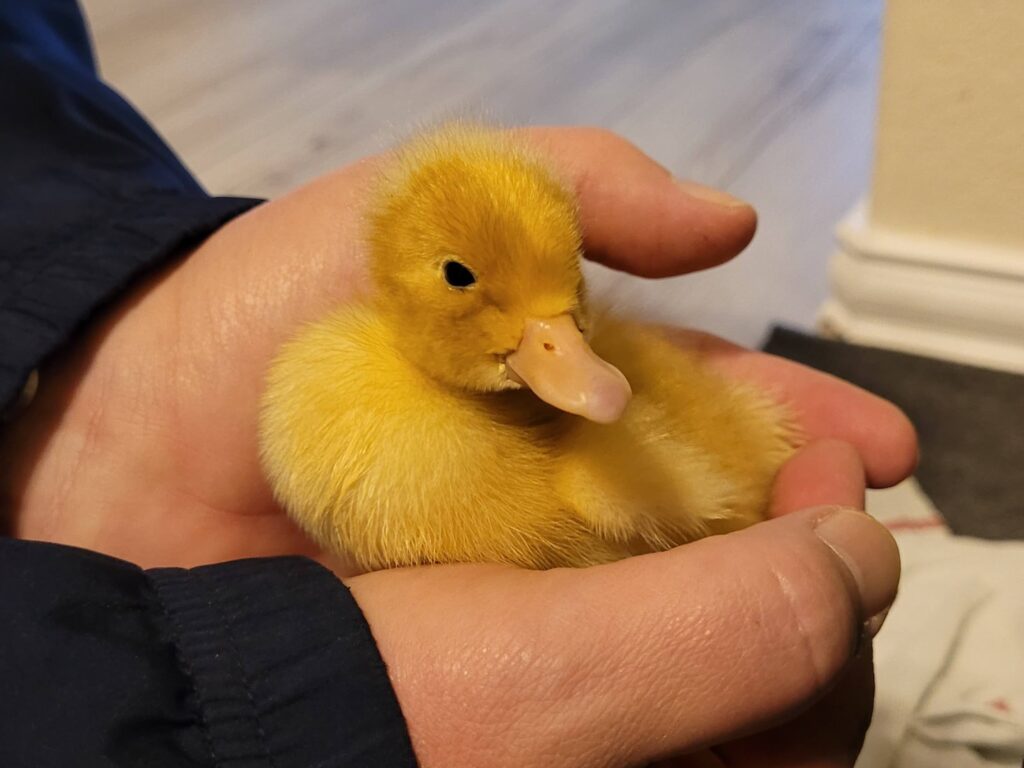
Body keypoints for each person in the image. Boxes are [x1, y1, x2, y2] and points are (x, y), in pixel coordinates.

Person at [0, 2, 916, 766]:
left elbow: (703, 476)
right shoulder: (342, 372)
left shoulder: (591, 462)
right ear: (397, 264)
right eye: (463, 280)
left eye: (565, 294)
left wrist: (82, 307)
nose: (562, 347)